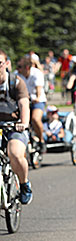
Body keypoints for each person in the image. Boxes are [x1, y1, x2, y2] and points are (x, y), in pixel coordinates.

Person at [0, 50, 32, 204]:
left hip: (14, 126)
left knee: (15, 153)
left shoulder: (16, 82)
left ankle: (24, 184)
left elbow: (24, 104)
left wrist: (23, 123)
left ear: (6, 64)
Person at [17, 56, 47, 153]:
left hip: (37, 101)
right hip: (23, 101)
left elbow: (38, 90)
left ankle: (41, 140)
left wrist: (37, 97)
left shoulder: (36, 73)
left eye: (19, 67)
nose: (17, 69)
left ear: (26, 68)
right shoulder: (17, 75)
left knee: (35, 118)